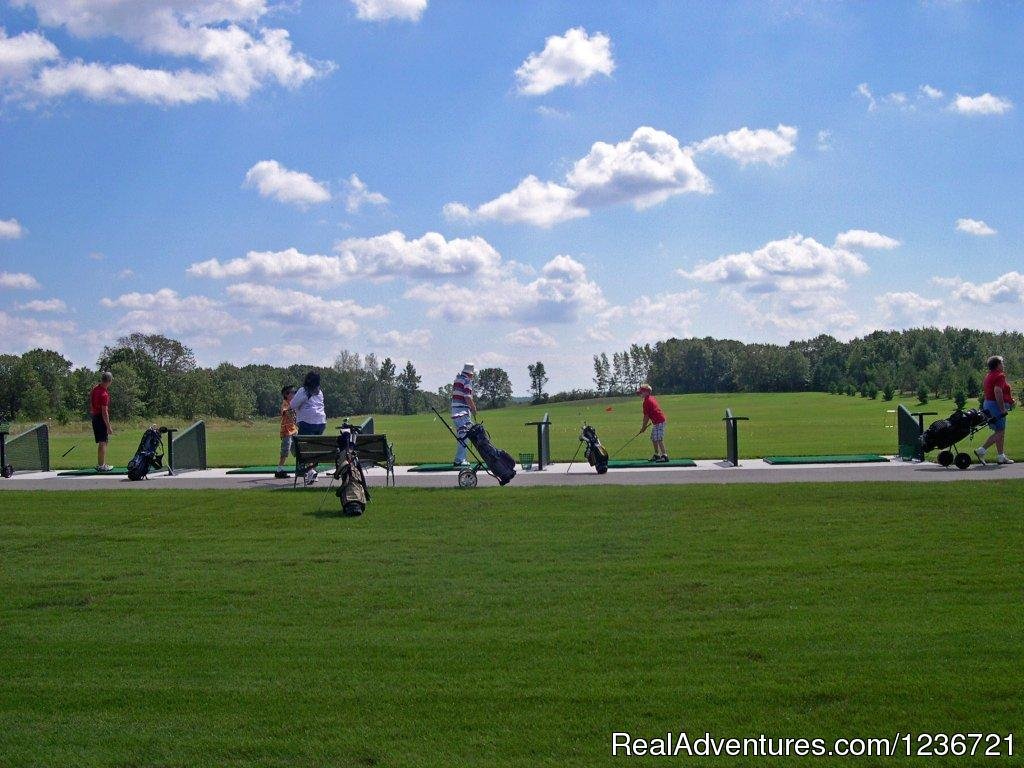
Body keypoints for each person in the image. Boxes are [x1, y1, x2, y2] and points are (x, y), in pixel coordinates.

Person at [975, 355, 1015, 465]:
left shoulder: (989, 375)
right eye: (1002, 362)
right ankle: (981, 450)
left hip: (988, 403)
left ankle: (1001, 456)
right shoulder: (1000, 375)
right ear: (997, 365)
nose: (1003, 364)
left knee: (1000, 431)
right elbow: (998, 391)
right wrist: (1002, 409)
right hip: (995, 406)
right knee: (1000, 431)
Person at [289, 371, 327, 484]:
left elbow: (292, 405)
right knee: (314, 448)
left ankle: (309, 471)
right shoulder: (320, 392)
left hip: (307, 422)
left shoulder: (303, 391)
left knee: (299, 448)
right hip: (321, 423)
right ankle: (312, 471)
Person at [451, 363, 477, 467]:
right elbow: (467, 396)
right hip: (463, 411)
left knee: (462, 435)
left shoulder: (457, 379)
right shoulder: (467, 381)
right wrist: (473, 408)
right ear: (470, 374)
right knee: (465, 436)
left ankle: (461, 459)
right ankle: (459, 460)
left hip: (455, 411)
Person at [89, 371, 114, 471]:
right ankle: (101, 465)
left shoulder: (95, 389)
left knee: (102, 442)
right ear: (109, 381)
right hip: (100, 418)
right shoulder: (104, 394)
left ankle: (101, 464)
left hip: (95, 417)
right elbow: (105, 412)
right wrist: (108, 427)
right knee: (103, 442)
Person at [637, 383, 668, 462]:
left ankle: (664, 456)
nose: (640, 393)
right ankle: (657, 455)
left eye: (642, 392)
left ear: (647, 392)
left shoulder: (647, 401)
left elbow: (646, 417)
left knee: (658, 438)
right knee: (654, 438)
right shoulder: (650, 398)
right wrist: (644, 427)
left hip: (659, 421)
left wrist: (643, 427)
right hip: (656, 422)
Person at [275, 384, 298, 479]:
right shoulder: (285, 403)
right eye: (292, 393)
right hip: (287, 431)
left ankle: (301, 467)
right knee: (285, 450)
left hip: (294, 430)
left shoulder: (292, 403)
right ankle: (279, 470)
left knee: (297, 450)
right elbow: (285, 411)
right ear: (286, 395)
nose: (294, 394)